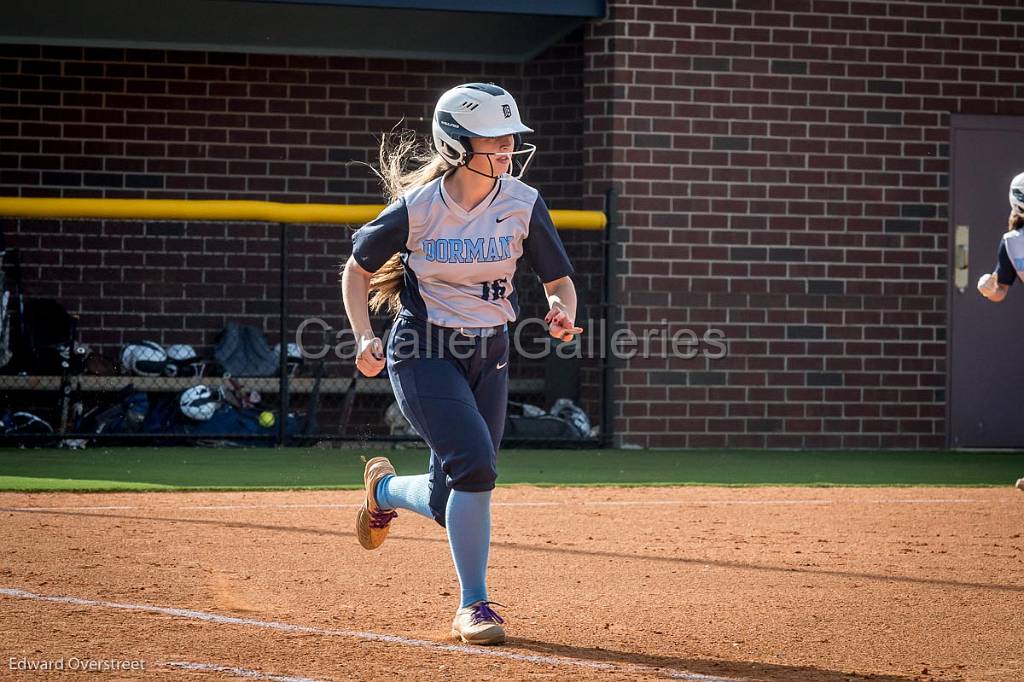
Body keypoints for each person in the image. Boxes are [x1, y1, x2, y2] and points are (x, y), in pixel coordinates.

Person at [340, 83, 583, 644]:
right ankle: (474, 605)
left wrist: (560, 311)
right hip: (423, 350)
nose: (507, 150)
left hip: (490, 353)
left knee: (453, 492)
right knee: (475, 465)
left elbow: (559, 282)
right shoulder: (418, 209)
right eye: (493, 141)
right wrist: (361, 337)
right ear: (453, 144)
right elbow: (357, 270)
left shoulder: (522, 202)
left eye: (509, 140)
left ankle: (382, 493)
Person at [976, 172, 1024, 492]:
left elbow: (998, 291)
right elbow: (1000, 286)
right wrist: (987, 285)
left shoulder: (1013, 239)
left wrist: (988, 288)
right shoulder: (1012, 241)